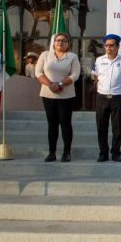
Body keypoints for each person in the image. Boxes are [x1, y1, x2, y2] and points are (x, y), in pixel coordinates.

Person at [35, 32, 80, 162]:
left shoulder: (72, 57)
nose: (60, 42)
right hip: (48, 94)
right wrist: (50, 85)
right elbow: (38, 72)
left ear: (68, 44)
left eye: (64, 41)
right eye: (58, 40)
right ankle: (52, 153)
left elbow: (75, 75)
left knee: (65, 123)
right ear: (53, 43)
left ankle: (66, 152)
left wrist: (60, 84)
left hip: (66, 95)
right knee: (52, 124)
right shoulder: (45, 55)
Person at [92, 33, 121, 162]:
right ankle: (103, 153)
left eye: (111, 45)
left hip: (117, 99)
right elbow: (95, 76)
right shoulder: (99, 60)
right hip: (102, 98)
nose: (108, 48)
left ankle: (116, 153)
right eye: (106, 45)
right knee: (101, 126)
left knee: (117, 127)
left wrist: (117, 89)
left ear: (117, 46)